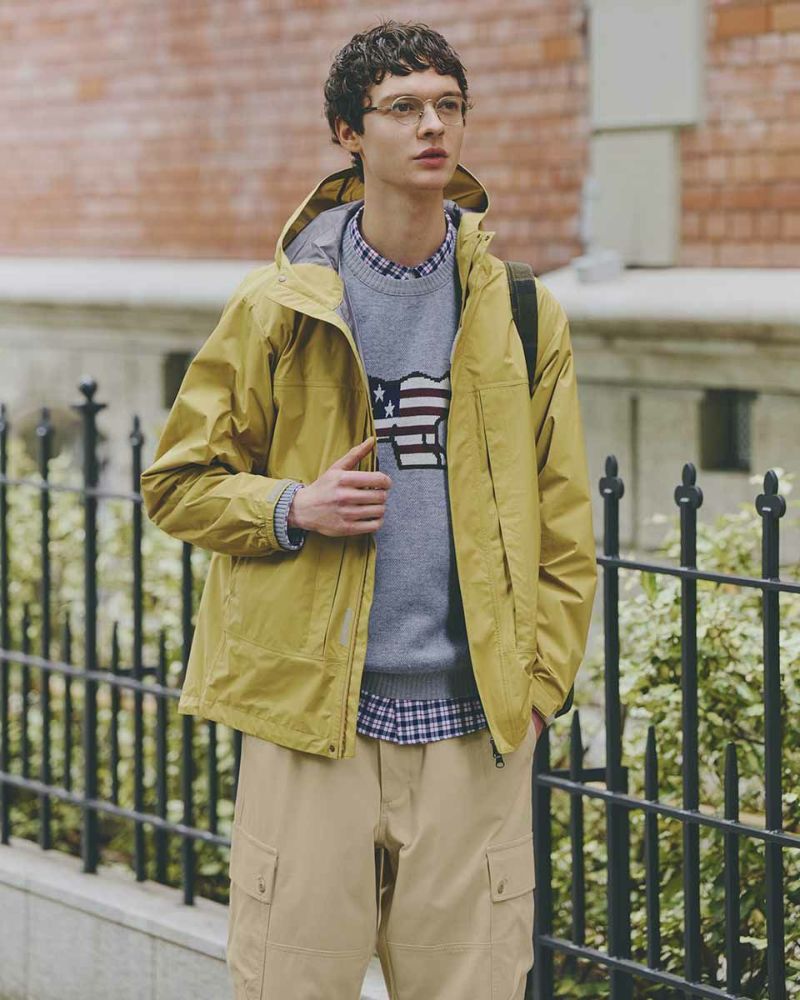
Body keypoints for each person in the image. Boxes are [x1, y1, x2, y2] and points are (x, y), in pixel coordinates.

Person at [140, 18, 597, 1000]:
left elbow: (565, 529)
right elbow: (176, 481)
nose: (431, 126)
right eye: (403, 108)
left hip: (473, 730)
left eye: (447, 105)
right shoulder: (280, 305)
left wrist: (538, 689)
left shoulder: (521, 312)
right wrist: (293, 506)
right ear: (349, 133)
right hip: (316, 727)